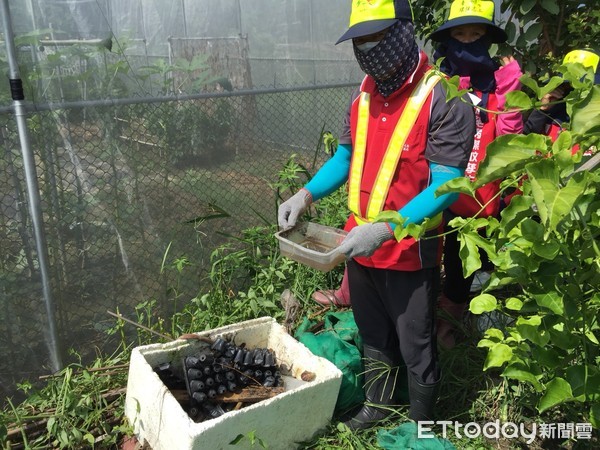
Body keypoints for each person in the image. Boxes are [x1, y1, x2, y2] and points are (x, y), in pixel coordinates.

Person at [278, 0, 475, 428]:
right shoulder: (364, 93)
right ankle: (377, 408)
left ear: (404, 31)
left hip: (408, 252)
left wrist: (388, 228)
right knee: (372, 334)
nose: (367, 49)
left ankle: (422, 424)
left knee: (415, 344)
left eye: (377, 38)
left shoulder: (444, 97)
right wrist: (305, 195)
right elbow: (345, 156)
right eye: (359, 41)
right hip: (357, 245)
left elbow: (446, 184)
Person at [428, 0, 524, 349]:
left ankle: (479, 318)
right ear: (448, 39)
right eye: (460, 34)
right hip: (450, 197)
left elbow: (510, 140)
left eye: (476, 34)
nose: (467, 41)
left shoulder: (497, 88)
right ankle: (448, 317)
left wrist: (511, 89)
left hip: (488, 197)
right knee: (452, 261)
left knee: (485, 260)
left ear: (488, 39)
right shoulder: (441, 84)